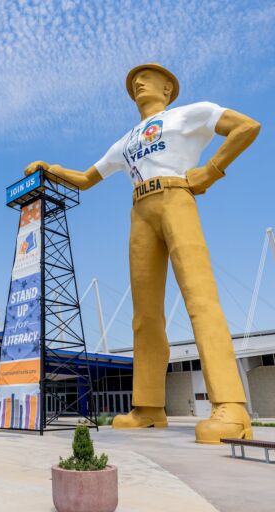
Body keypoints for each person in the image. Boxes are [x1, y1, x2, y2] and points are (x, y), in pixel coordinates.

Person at [24, 63, 261, 444]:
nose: (138, 82)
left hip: (176, 197)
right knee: (144, 316)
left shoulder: (188, 113)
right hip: (140, 211)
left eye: (148, 78)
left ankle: (231, 406)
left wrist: (212, 170)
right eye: (135, 80)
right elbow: (87, 179)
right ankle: (148, 408)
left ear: (167, 88)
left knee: (200, 298)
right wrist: (49, 169)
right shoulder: (126, 140)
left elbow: (247, 126)